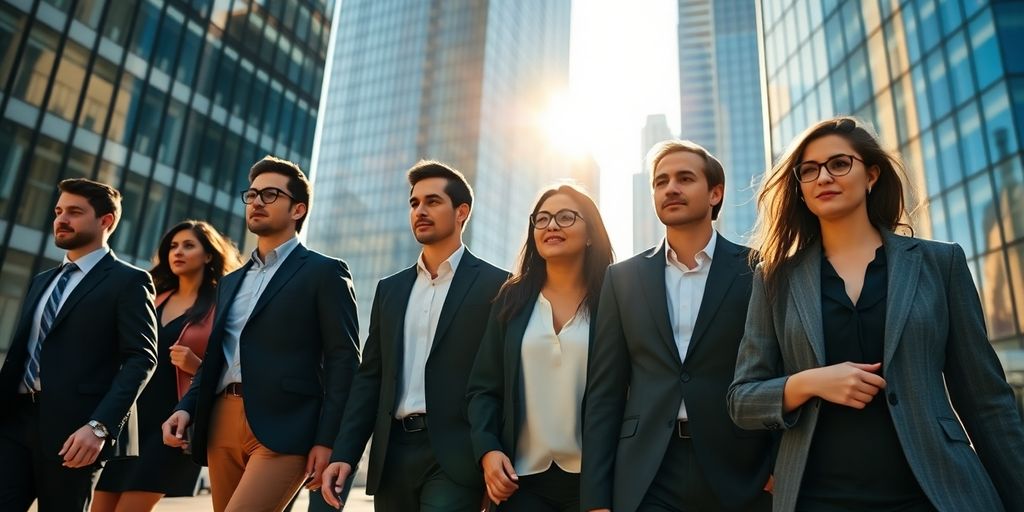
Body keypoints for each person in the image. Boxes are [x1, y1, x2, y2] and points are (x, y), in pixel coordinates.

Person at [728, 116, 1024, 511]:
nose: (823, 178)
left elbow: (986, 400)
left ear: (871, 175)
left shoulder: (940, 264)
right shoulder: (775, 279)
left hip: (934, 492)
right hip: (817, 497)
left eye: (839, 164)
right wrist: (811, 382)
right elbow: (742, 400)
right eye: (809, 170)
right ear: (799, 189)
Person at [581, 140, 774, 512]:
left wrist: (778, 461)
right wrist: (596, 496)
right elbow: (604, 391)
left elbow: (777, 369)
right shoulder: (622, 278)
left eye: (685, 178)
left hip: (740, 467)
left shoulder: (758, 270)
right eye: (661, 181)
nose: (671, 188)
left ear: (715, 193)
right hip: (647, 469)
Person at [161, 156, 359, 512]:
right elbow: (216, 356)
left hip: (286, 427)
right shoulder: (232, 281)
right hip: (221, 419)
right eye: (251, 194)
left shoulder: (324, 272)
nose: (256, 202)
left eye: (270, 195)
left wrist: (329, 440)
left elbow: (344, 361)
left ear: (298, 209)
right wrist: (186, 406)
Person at [321, 160, 508, 511]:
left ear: (461, 212)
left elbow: (504, 382)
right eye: (414, 203)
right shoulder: (390, 290)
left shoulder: (497, 286)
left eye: (433, 201)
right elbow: (370, 377)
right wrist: (345, 452)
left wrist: (493, 454)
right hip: (392, 454)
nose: (420, 210)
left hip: (458, 455)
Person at [0, 178, 158, 511]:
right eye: (58, 211)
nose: (61, 219)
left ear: (106, 221)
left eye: (74, 212)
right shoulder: (43, 280)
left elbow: (141, 359)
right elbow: (21, 354)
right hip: (15, 421)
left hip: (76, 430)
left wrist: (99, 426)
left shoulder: (129, 280)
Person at [466, 183, 613, 511]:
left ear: (590, 234)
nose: (551, 226)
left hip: (593, 480)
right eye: (542, 219)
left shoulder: (613, 301)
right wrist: (488, 452)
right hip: (520, 482)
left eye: (565, 217)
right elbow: (483, 389)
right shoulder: (511, 299)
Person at [93, 220, 241, 511]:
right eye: (173, 246)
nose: (178, 252)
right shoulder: (152, 297)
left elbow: (233, 366)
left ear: (209, 255)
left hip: (172, 424)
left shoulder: (223, 305)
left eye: (188, 245)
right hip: (130, 420)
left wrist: (196, 365)